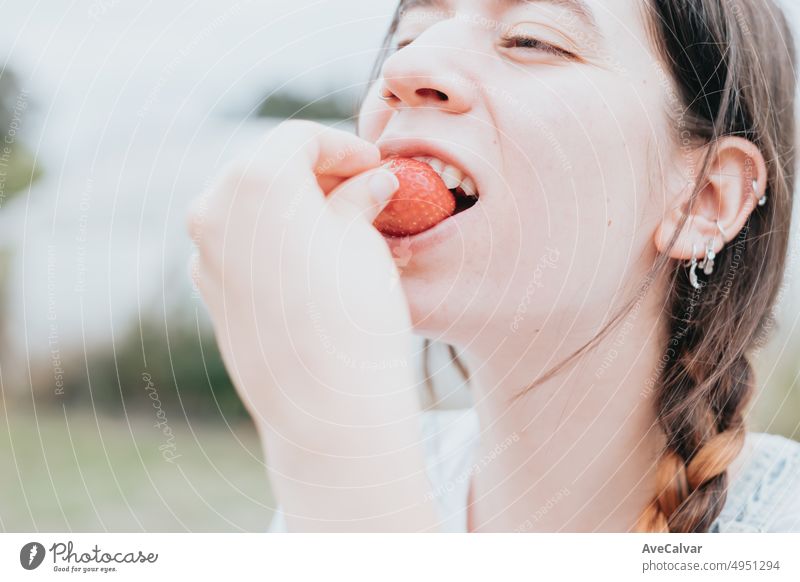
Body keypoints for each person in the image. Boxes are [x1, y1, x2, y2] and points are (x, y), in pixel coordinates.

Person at [188, 0, 800, 532]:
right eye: (408, 37)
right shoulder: (366, 481)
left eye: (532, 39)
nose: (402, 71)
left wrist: (336, 447)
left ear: (706, 200)